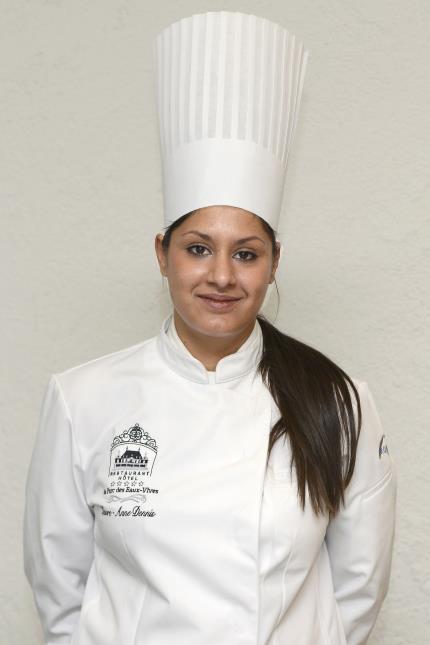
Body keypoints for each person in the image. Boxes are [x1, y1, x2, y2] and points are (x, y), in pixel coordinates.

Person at [23, 10, 397, 645]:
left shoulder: (340, 401)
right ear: (162, 253)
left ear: (274, 263)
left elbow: (357, 588)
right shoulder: (81, 398)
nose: (222, 275)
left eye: (246, 254)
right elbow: (61, 586)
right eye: (199, 248)